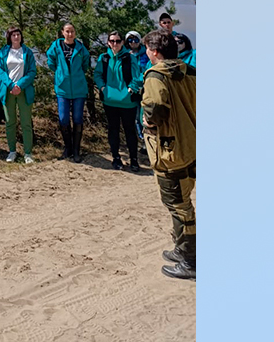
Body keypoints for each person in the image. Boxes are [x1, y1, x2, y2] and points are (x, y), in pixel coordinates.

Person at [140, 29, 197, 280]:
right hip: (192, 146)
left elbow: (154, 109)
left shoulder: (156, 75)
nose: (146, 54)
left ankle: (190, 260)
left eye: (147, 50)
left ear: (155, 52)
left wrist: (149, 124)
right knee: (182, 200)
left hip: (170, 151)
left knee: (178, 206)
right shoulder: (189, 71)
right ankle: (182, 249)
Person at [94, 32, 143, 172]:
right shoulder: (103, 58)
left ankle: (134, 160)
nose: (115, 44)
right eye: (112, 41)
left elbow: (138, 76)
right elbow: (97, 74)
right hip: (110, 102)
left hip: (128, 102)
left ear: (122, 42)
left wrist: (131, 89)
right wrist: (103, 88)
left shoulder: (130, 58)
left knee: (130, 131)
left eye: (117, 41)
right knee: (113, 130)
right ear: (108, 42)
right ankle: (116, 158)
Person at [45, 22, 91, 163]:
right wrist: (60, 74)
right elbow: (51, 61)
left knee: (77, 119)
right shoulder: (57, 47)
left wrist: (76, 75)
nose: (70, 34)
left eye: (72, 31)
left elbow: (86, 64)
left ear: (75, 33)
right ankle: (68, 148)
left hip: (78, 89)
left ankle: (76, 150)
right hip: (62, 89)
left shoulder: (81, 48)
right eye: (67, 31)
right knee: (63, 118)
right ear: (62, 32)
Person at [0, 26, 37, 164]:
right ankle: (12, 151)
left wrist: (20, 85)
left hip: (23, 91)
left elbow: (32, 71)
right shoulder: (3, 52)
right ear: (9, 37)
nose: (16, 37)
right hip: (8, 91)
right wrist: (11, 85)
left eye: (18, 34)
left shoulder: (27, 52)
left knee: (26, 123)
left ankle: (28, 153)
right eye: (13, 35)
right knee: (10, 122)